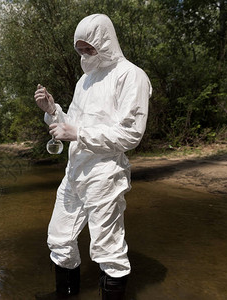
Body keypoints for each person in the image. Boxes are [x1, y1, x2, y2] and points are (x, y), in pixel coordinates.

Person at [34, 14, 152, 299]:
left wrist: (78, 135)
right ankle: (67, 294)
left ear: (106, 41)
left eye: (90, 48)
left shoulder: (130, 75)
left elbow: (130, 134)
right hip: (74, 172)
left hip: (105, 174)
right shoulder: (84, 81)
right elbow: (72, 122)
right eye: (80, 50)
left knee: (107, 249)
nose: (86, 54)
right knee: (59, 239)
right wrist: (52, 111)